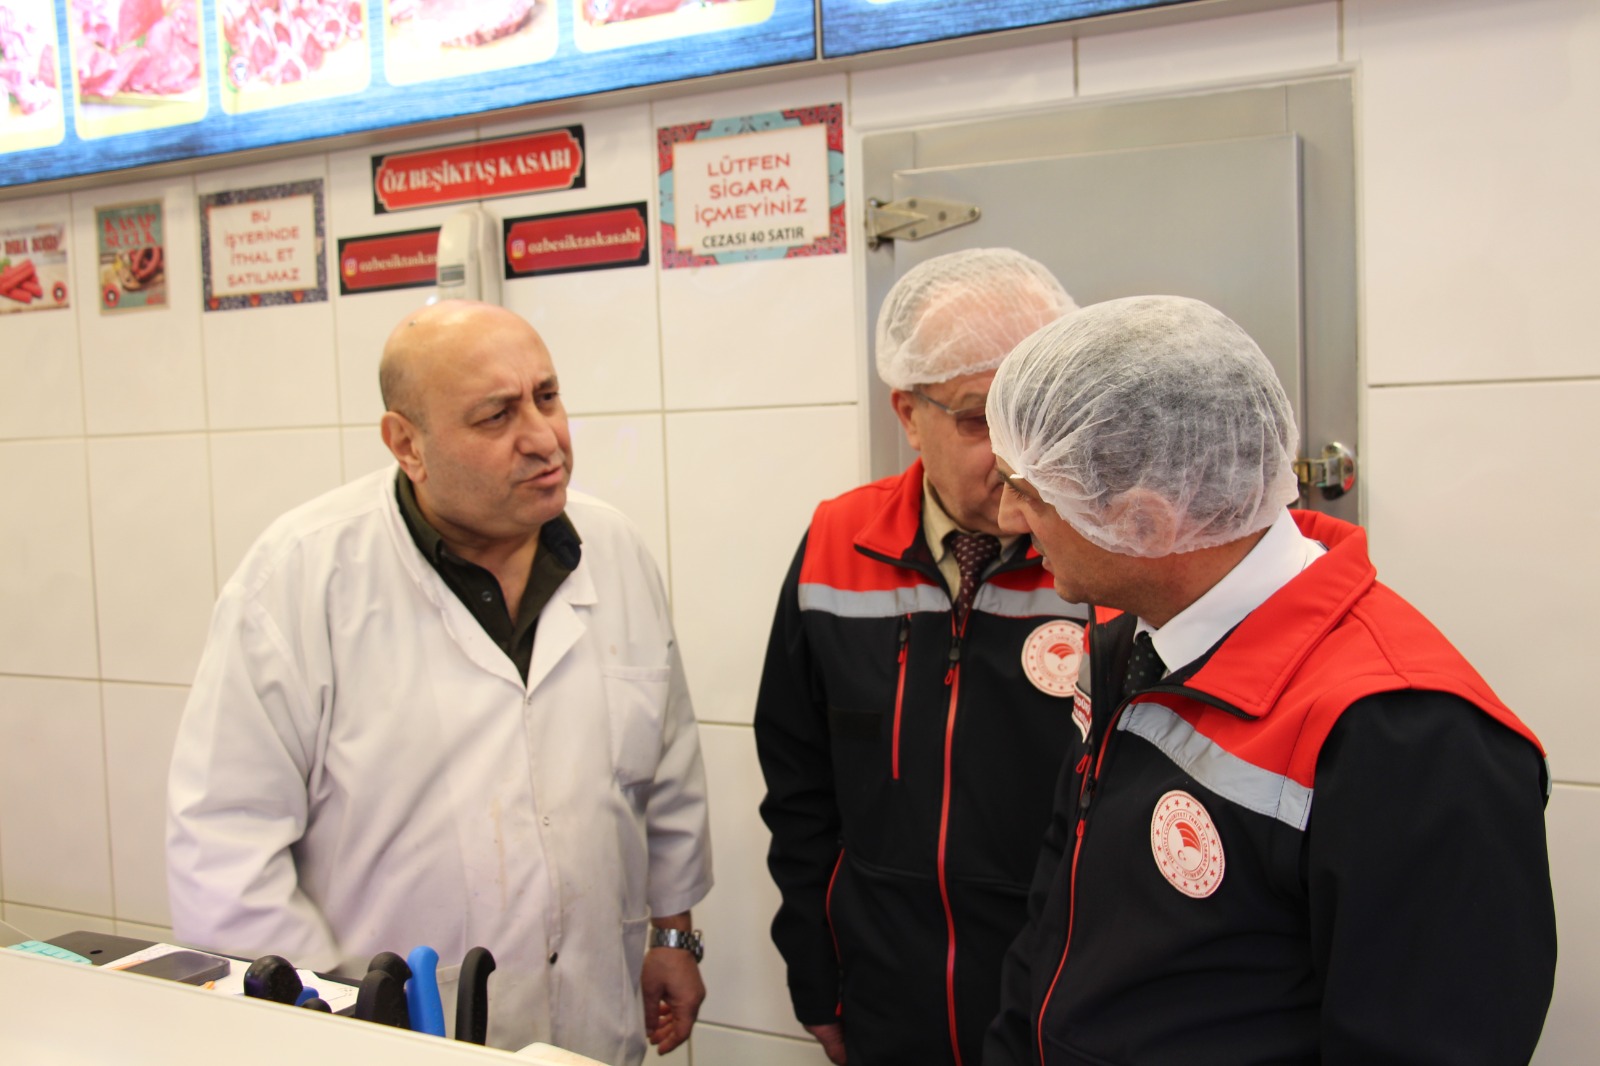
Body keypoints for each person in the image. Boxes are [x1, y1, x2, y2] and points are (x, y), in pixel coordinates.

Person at [983, 295, 1556, 1065]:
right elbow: (1060, 904)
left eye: (1030, 493)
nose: (1008, 518)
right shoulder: (1131, 639)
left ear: (1146, 522)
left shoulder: (1405, 736)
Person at [167, 300, 713, 1063]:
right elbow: (223, 845)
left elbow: (668, 767)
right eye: (497, 416)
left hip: (592, 1023)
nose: (544, 438)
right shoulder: (300, 577)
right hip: (384, 1038)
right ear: (407, 443)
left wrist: (673, 933)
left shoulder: (613, 549)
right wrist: (322, 1029)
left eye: (547, 396)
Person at [755, 248, 1085, 1066]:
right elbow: (799, 789)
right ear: (908, 413)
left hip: (1063, 1005)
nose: (1015, 455)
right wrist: (816, 973)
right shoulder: (838, 545)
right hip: (887, 995)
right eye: (978, 419)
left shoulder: (1104, 560)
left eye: (1034, 411)